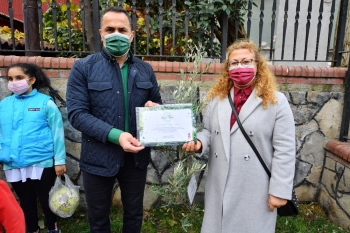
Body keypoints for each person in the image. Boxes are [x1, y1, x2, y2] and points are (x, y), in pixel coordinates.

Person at [182, 40, 296, 233]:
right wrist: (200, 143)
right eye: (234, 63)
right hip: (220, 182)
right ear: (227, 68)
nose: (239, 67)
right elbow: (208, 131)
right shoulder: (216, 99)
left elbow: (285, 149)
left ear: (257, 65)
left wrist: (279, 191)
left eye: (246, 61)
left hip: (255, 185)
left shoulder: (277, 101)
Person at [66, 6, 162, 233]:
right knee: (98, 220)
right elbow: (77, 115)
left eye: (122, 29)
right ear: (101, 33)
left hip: (136, 160)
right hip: (98, 158)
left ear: (131, 35)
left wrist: (155, 110)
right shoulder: (83, 68)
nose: (116, 34)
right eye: (110, 29)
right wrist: (116, 136)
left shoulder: (145, 70)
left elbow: (157, 105)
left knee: (134, 215)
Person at [0, 63, 67, 233]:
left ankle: (53, 228)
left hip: (41, 161)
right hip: (12, 162)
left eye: (19, 78)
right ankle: (32, 229)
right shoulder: (4, 105)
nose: (14, 82)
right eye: (10, 79)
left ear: (32, 80)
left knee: (47, 199)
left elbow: (57, 133)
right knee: (25, 201)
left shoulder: (45, 103)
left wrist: (59, 161)